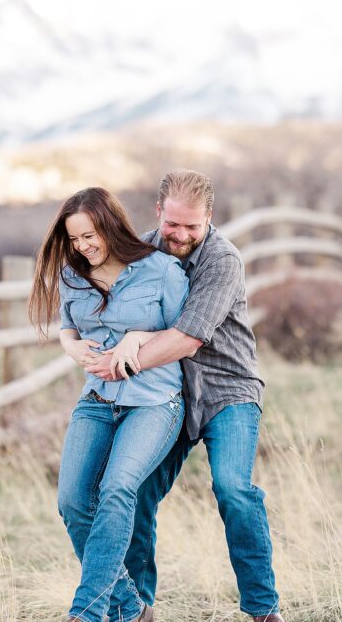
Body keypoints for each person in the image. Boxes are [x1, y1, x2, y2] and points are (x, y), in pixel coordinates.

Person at [85, 170, 285, 622]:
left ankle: (262, 609)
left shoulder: (223, 259)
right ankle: (138, 609)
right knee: (132, 493)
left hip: (226, 390)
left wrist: (126, 360)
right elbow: (115, 311)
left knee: (233, 488)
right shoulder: (140, 253)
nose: (180, 235)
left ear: (209, 218)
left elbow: (189, 338)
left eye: (191, 226)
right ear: (159, 212)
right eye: (173, 224)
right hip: (168, 391)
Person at [28, 187, 189, 622]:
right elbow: (67, 328)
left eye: (89, 235)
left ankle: (86, 614)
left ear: (110, 225)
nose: (82, 246)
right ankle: (133, 610)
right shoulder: (71, 276)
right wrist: (72, 349)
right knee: (73, 503)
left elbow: (186, 339)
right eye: (74, 239)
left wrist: (139, 338)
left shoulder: (161, 271)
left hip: (155, 402)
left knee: (118, 490)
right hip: (97, 400)